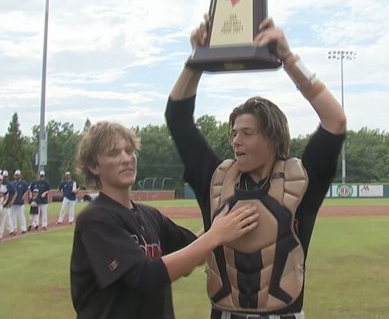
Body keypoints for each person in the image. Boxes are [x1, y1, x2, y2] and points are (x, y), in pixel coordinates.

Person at [165, 15, 346, 318]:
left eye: (247, 134)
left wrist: (287, 58)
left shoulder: (300, 181)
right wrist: (196, 60)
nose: (236, 141)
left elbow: (335, 121)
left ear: (273, 138)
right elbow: (178, 119)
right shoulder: (215, 178)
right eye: (234, 133)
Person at [70, 120, 259, 319]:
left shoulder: (150, 216)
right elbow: (143, 276)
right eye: (113, 153)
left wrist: (229, 213)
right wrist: (215, 235)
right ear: (93, 166)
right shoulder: (96, 219)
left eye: (129, 150)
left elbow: (193, 249)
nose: (126, 159)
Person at [8, 169, 28, 235]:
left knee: (21, 216)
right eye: (16, 175)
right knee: (12, 216)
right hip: (13, 202)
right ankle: (13, 229)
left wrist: (24, 198)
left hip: (20, 202)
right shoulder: (12, 183)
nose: (16, 176)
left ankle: (23, 229)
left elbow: (26, 191)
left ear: (20, 176)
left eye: (18, 175)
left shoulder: (23, 183)